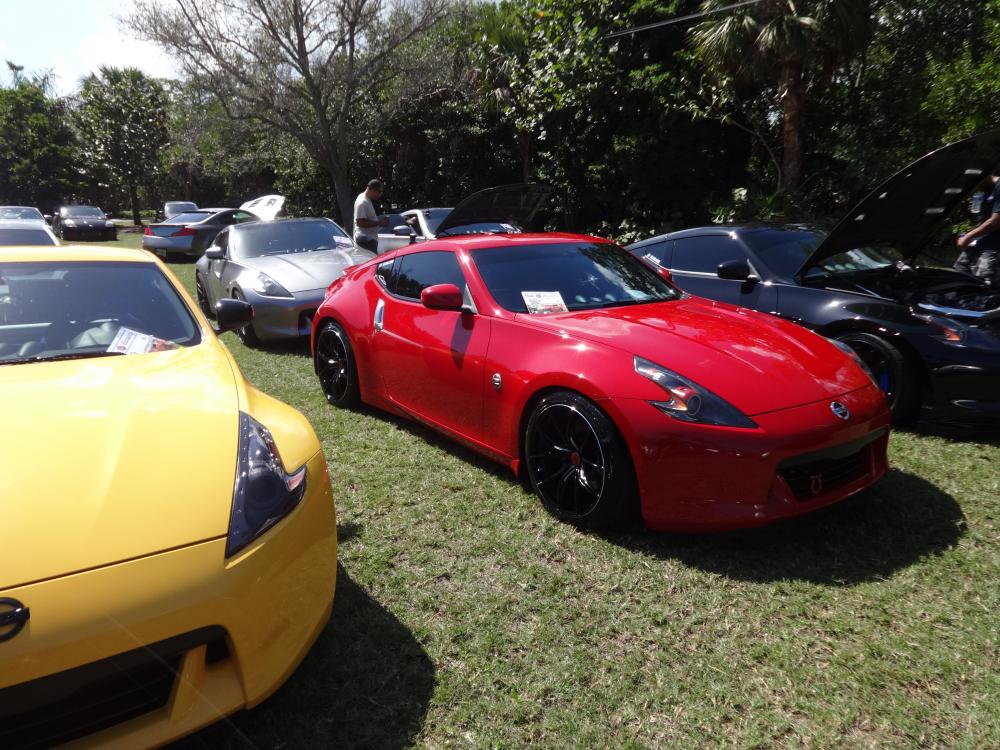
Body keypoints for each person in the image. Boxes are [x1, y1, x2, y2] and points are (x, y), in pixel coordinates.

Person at [956, 174, 1000, 287]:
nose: (974, 189)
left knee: (985, 279)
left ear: (983, 176)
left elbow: (996, 222)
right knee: (961, 268)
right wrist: (967, 236)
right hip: (983, 240)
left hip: (995, 245)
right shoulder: (984, 191)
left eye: (973, 185)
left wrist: (967, 237)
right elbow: (982, 221)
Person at [353, 179, 388, 253]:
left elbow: (366, 219)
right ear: (372, 190)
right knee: (371, 263)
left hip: (369, 241)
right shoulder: (362, 202)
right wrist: (379, 223)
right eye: (380, 192)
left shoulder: (366, 199)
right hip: (365, 242)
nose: (380, 194)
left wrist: (379, 222)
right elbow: (360, 222)